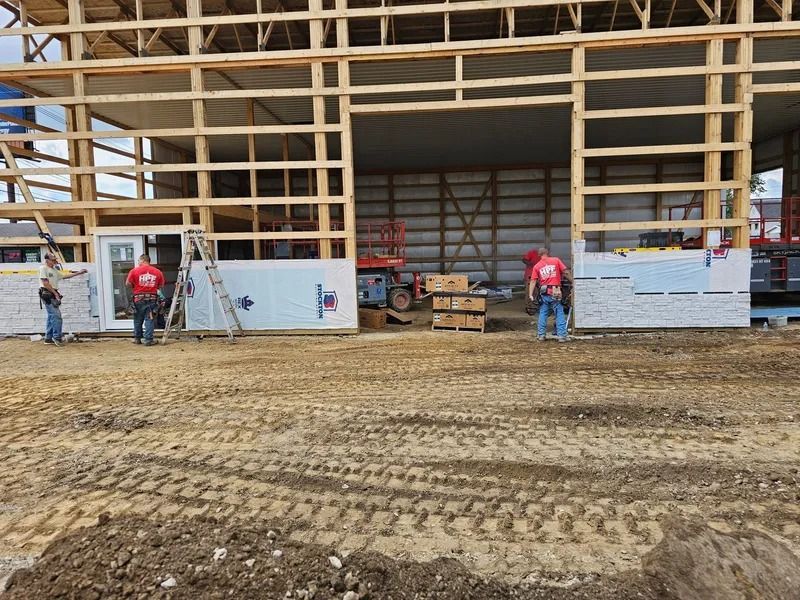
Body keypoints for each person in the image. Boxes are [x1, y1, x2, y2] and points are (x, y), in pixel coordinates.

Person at [38, 252, 88, 347]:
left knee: (51, 316)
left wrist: (78, 273)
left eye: (55, 259)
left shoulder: (54, 270)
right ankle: (57, 337)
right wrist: (55, 293)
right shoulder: (43, 268)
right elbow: (45, 283)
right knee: (57, 316)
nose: (55, 261)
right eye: (53, 259)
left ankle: (48, 338)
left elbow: (64, 276)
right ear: (47, 260)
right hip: (47, 294)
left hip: (51, 293)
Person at [529, 247, 571, 342]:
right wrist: (573, 282)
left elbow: (533, 281)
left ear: (539, 255)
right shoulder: (556, 260)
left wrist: (530, 294)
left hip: (543, 292)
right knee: (559, 312)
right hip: (555, 290)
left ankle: (541, 335)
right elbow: (565, 272)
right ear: (547, 253)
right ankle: (562, 336)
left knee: (543, 313)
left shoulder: (537, 266)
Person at [125, 254, 165, 346]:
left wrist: (136, 286)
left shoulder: (134, 271)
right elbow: (161, 285)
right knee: (149, 319)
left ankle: (137, 339)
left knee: (138, 319)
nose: (138, 262)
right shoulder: (157, 272)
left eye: (139, 260)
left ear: (143, 260)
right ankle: (148, 340)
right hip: (152, 298)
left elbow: (127, 283)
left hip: (138, 298)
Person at [522, 248, 540, 314]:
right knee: (530, 292)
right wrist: (531, 264)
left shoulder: (546, 255)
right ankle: (530, 308)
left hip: (540, 276)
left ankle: (537, 307)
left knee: (538, 292)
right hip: (530, 275)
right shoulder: (532, 252)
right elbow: (524, 260)